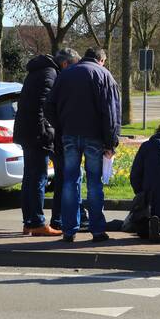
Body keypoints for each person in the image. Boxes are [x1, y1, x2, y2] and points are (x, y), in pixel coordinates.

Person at [45, 47, 120, 242]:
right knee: (94, 182)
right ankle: (97, 229)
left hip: (69, 134)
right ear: (101, 60)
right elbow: (111, 113)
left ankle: (69, 230)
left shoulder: (66, 74)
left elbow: (49, 106)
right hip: (94, 136)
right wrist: (111, 142)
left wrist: (61, 127)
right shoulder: (104, 75)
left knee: (70, 181)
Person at [14, 50, 80, 237]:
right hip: (37, 134)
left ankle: (29, 222)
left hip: (26, 131)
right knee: (38, 178)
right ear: (66, 64)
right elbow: (43, 107)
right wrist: (46, 134)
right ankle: (37, 222)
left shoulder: (37, 71)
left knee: (29, 178)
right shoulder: (50, 74)